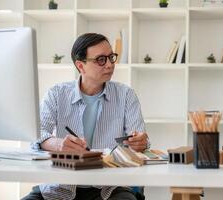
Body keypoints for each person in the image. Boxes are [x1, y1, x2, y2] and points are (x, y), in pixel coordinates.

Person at [22, 33, 149, 200]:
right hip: (61, 185)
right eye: (101, 60)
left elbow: (141, 140)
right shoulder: (56, 94)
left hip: (109, 187)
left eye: (111, 57)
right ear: (80, 66)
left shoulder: (126, 95)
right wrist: (59, 144)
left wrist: (140, 142)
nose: (110, 64)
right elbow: (37, 134)